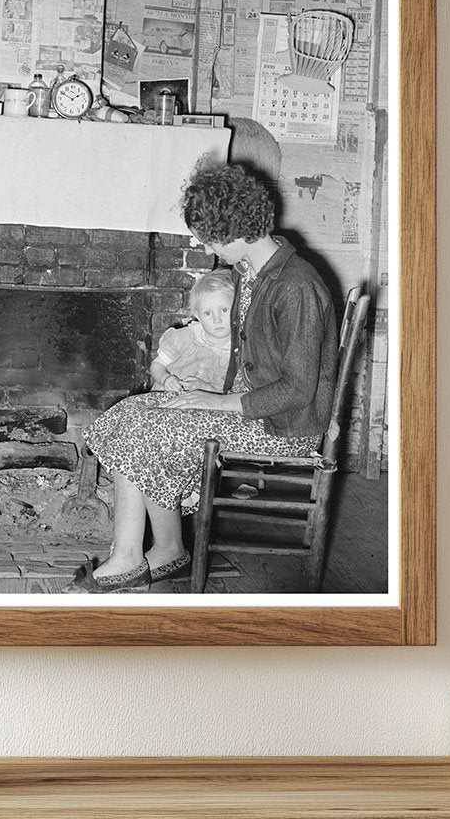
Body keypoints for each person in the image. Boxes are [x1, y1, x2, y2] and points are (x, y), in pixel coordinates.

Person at [68, 163, 337, 594]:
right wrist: (205, 388)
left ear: (234, 232)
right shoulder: (253, 272)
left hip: (283, 428)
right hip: (251, 408)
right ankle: (166, 550)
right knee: (130, 412)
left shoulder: (295, 286)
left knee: (146, 428)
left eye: (208, 237)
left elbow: (299, 388)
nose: (202, 244)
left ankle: (129, 558)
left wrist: (218, 402)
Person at [150, 270, 234, 394]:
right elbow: (157, 366)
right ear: (197, 315)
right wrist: (166, 378)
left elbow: (238, 396)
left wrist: (206, 388)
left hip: (209, 406)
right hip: (169, 397)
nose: (217, 319)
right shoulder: (184, 337)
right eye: (207, 313)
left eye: (224, 310)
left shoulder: (241, 350)